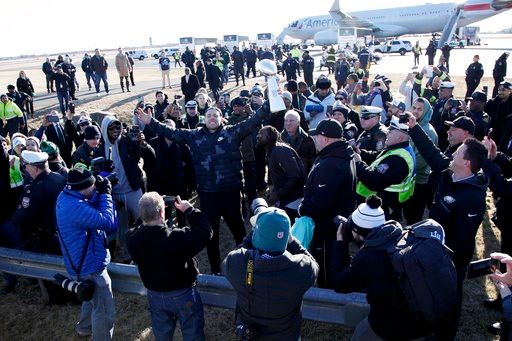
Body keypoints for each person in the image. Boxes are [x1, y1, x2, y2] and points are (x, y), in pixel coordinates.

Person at [137, 100, 271, 275]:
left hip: (230, 193)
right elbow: (171, 131)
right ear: (204, 119)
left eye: (215, 115)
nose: (212, 118)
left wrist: (270, 100)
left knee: (239, 231)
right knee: (211, 235)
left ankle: (248, 266)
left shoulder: (232, 132)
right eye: (208, 115)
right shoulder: (194, 136)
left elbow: (253, 121)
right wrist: (151, 122)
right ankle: (216, 271)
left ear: (222, 119)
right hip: (208, 196)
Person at [406, 115, 489, 339]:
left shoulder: (472, 198)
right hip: (433, 249)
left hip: (450, 259)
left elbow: (462, 240)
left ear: (467, 163)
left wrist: (443, 260)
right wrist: (414, 128)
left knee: (449, 299)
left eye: (458, 153)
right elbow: (432, 152)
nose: (452, 154)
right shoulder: (450, 173)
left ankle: (445, 334)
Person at [331, 195, 436, 340]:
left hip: (391, 326)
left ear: (358, 232)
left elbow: (339, 283)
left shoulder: (368, 258)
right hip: (424, 321)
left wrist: (340, 242)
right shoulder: (400, 234)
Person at [222, 204, 318, 340]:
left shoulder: (236, 263)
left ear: (257, 235)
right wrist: (291, 241)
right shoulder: (302, 268)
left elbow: (239, 251)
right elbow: (312, 262)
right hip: (287, 335)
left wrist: (255, 232)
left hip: (251, 335)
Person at [126, 193, 212, 340]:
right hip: (183, 294)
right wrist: (189, 210)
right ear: (161, 212)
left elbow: (137, 226)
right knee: (193, 335)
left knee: (162, 336)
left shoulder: (132, 238)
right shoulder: (176, 237)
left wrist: (147, 211)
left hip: (155, 295)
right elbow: (205, 232)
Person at [55, 166, 116, 339]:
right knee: (104, 309)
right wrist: (106, 195)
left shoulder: (68, 195)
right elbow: (106, 221)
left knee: (91, 297)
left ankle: (84, 328)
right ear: (82, 188)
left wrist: (101, 190)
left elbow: (89, 203)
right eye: (93, 186)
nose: (96, 187)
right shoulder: (75, 208)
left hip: (82, 262)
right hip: (90, 266)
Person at [298, 119, 356, 288]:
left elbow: (320, 202)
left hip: (327, 228)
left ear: (325, 138)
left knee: (327, 266)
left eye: (316, 136)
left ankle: (328, 299)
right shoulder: (340, 154)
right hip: (337, 224)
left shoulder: (331, 164)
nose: (314, 140)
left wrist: (303, 208)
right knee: (337, 259)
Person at [99, 116, 153, 262]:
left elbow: (138, 158)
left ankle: (150, 249)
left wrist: (139, 143)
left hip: (133, 190)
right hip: (115, 195)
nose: (116, 131)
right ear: (105, 129)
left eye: (118, 127)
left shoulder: (126, 141)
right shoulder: (99, 148)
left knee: (144, 220)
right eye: (111, 128)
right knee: (123, 230)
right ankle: (127, 256)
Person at [355, 116, 416, 221]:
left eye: (391, 131)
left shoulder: (398, 159)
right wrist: (361, 153)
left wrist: (358, 163)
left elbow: (373, 181)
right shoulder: (399, 148)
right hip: (385, 204)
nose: (387, 133)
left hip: (382, 210)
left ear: (401, 137)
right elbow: (379, 156)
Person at [142, 119, 194, 227]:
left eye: (171, 128)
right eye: (165, 127)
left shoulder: (181, 143)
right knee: (162, 214)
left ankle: (181, 232)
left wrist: (190, 184)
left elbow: (189, 165)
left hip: (179, 184)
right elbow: (149, 165)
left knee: (181, 214)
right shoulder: (154, 142)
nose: (168, 130)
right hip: (160, 185)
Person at [256, 125, 306, 221]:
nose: (257, 136)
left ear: (270, 137)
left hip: (294, 200)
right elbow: (281, 177)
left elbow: (295, 176)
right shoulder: (271, 151)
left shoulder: (280, 151)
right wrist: (275, 192)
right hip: (286, 199)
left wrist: (278, 194)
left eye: (261, 134)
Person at [402, 98, 438, 224]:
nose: (415, 112)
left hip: (418, 181)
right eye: (414, 108)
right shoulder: (412, 126)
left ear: (426, 111)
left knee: (414, 216)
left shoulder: (428, 131)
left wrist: (400, 168)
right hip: (408, 178)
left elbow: (421, 160)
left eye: (420, 109)